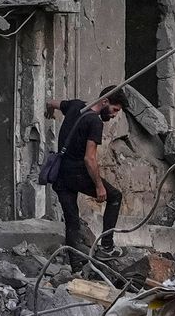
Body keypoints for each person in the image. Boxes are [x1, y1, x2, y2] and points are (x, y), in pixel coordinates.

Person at [45, 89, 124, 259]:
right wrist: (99, 186)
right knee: (115, 197)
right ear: (105, 102)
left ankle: (75, 267)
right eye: (114, 110)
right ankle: (107, 247)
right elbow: (89, 159)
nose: (114, 115)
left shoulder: (76, 106)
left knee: (72, 222)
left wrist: (49, 111)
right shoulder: (94, 122)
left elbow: (51, 102)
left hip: (61, 174)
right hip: (77, 174)